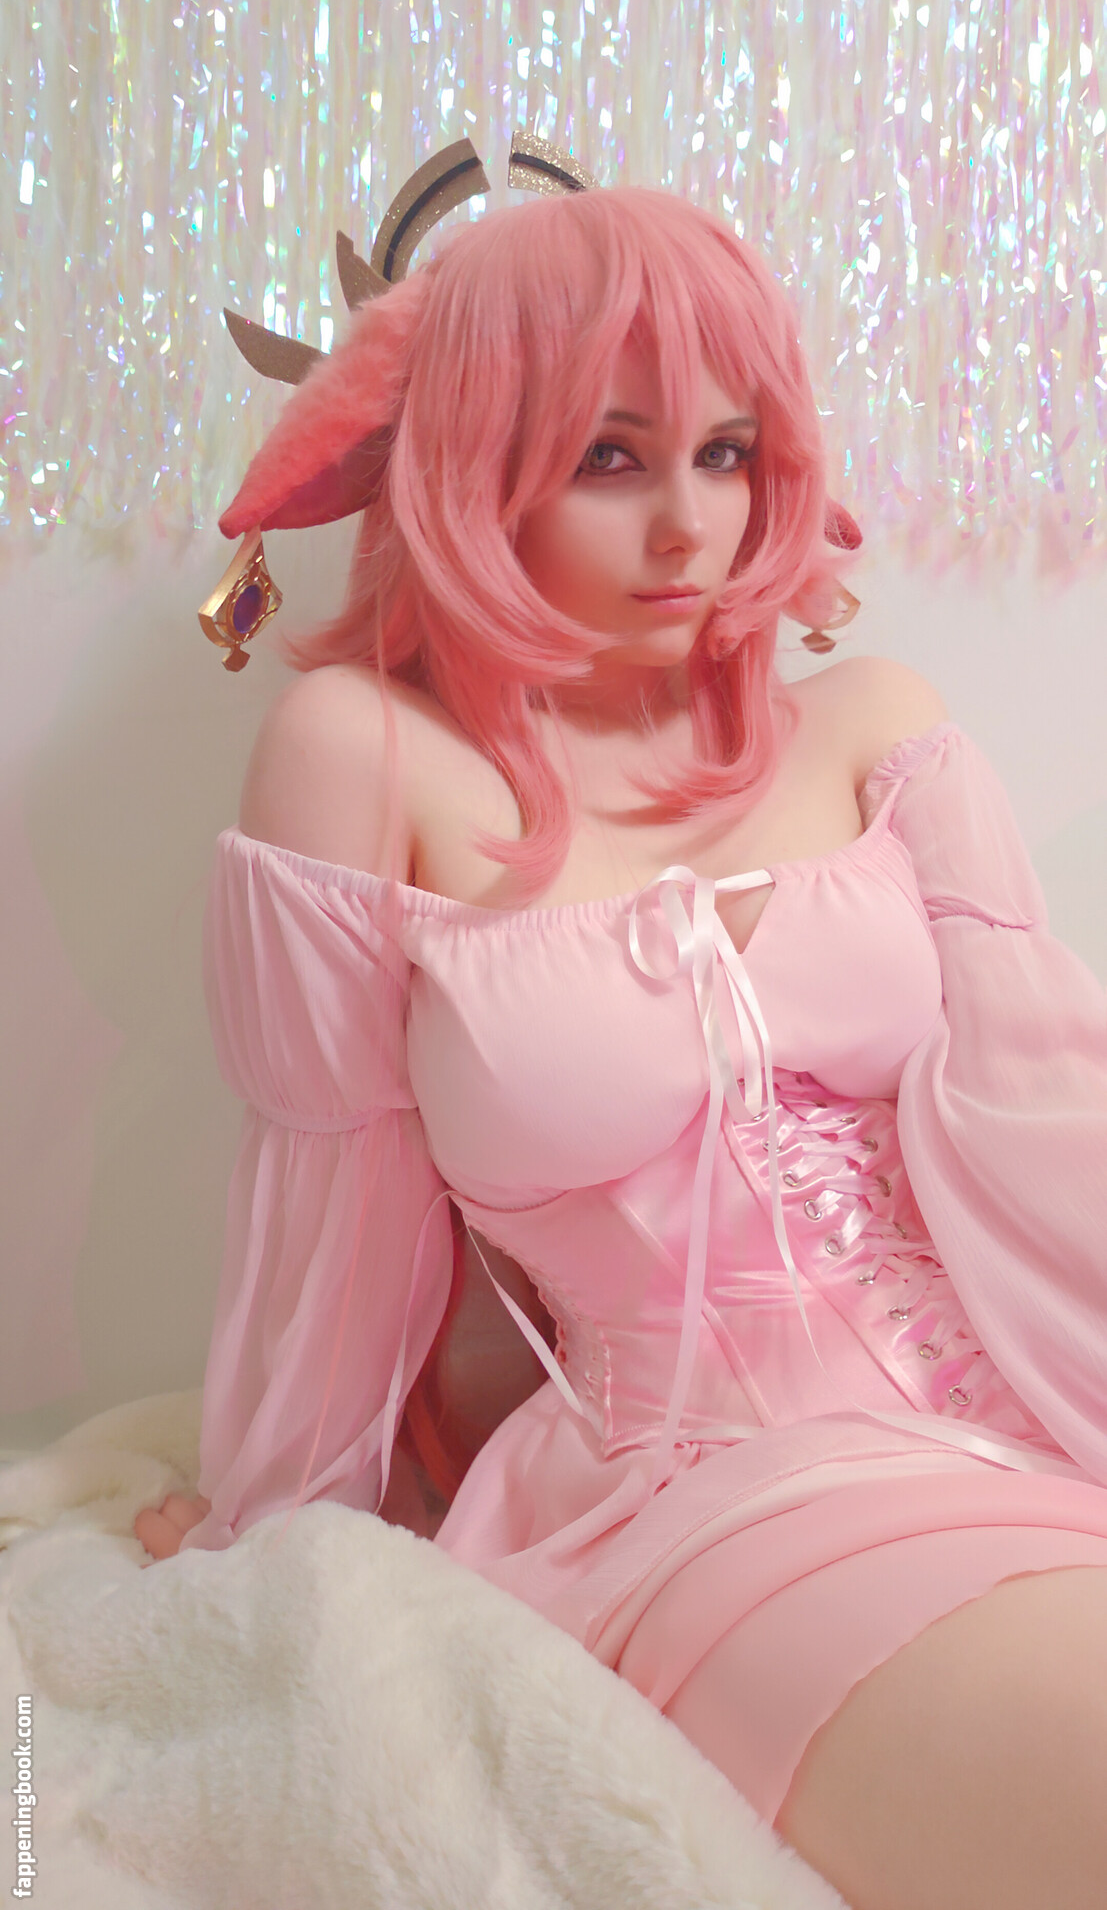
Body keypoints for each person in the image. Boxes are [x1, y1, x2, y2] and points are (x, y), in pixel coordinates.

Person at [136, 177, 1107, 1909]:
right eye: (610, 458)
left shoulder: (877, 728)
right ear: (473, 469)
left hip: (1029, 1432)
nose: (691, 529)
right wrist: (266, 1524)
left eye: (728, 454)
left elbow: (1057, 1111)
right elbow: (332, 1220)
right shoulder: (363, 755)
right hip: (705, 1503)